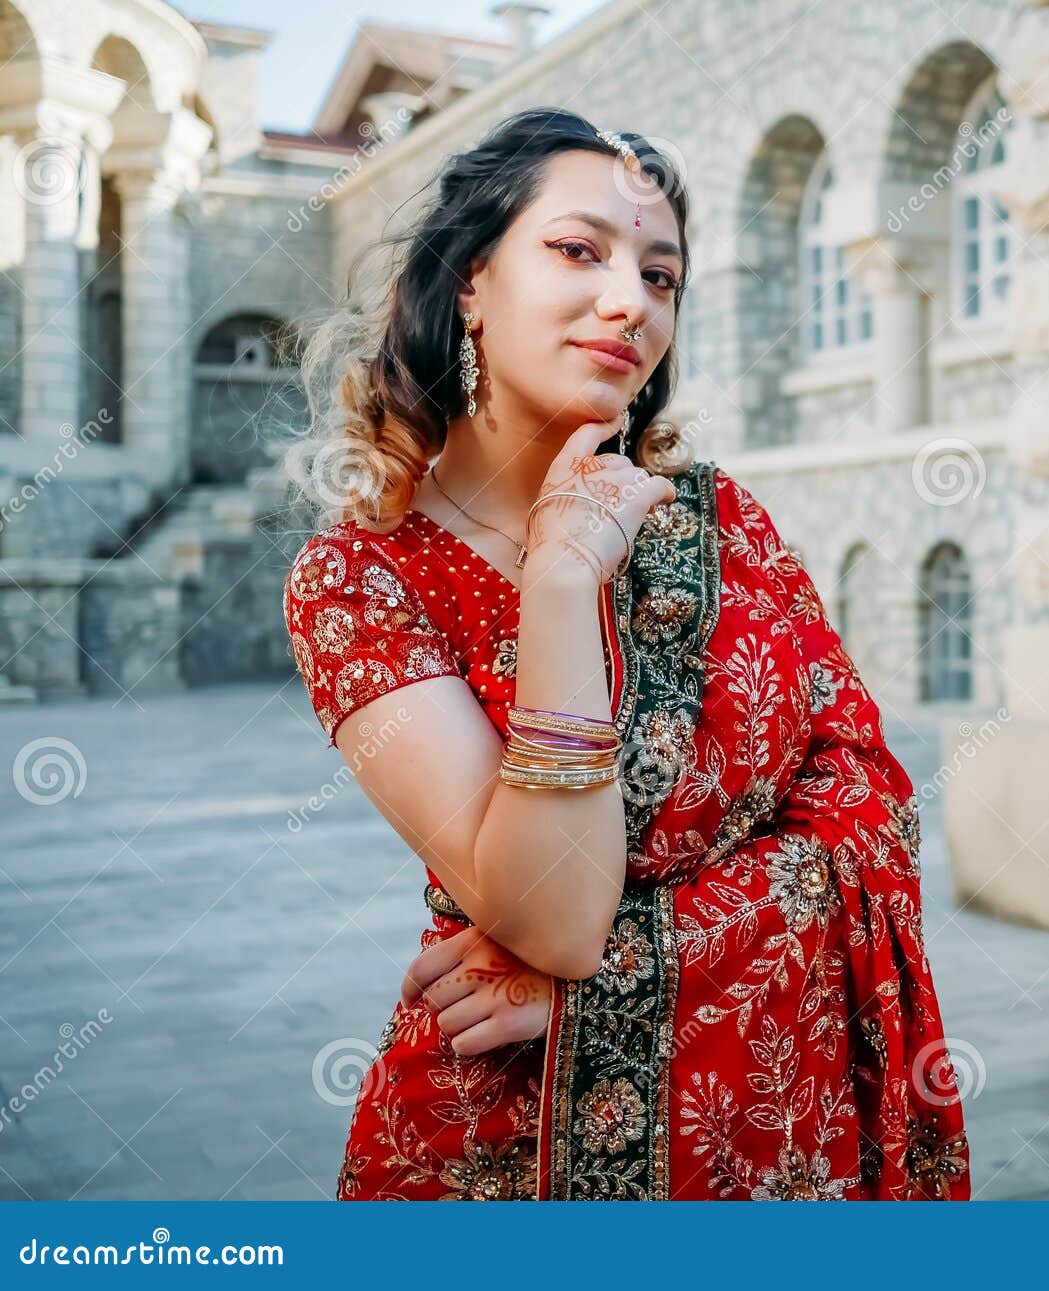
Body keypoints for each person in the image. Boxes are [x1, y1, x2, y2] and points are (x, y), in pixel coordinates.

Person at [281, 107, 970, 1200]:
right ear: (470, 278)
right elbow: (550, 914)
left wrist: (608, 990)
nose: (628, 300)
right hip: (504, 1144)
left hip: (761, 1132)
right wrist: (559, 583)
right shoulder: (366, 577)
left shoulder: (717, 523)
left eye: (661, 274)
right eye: (576, 250)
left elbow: (867, 804)